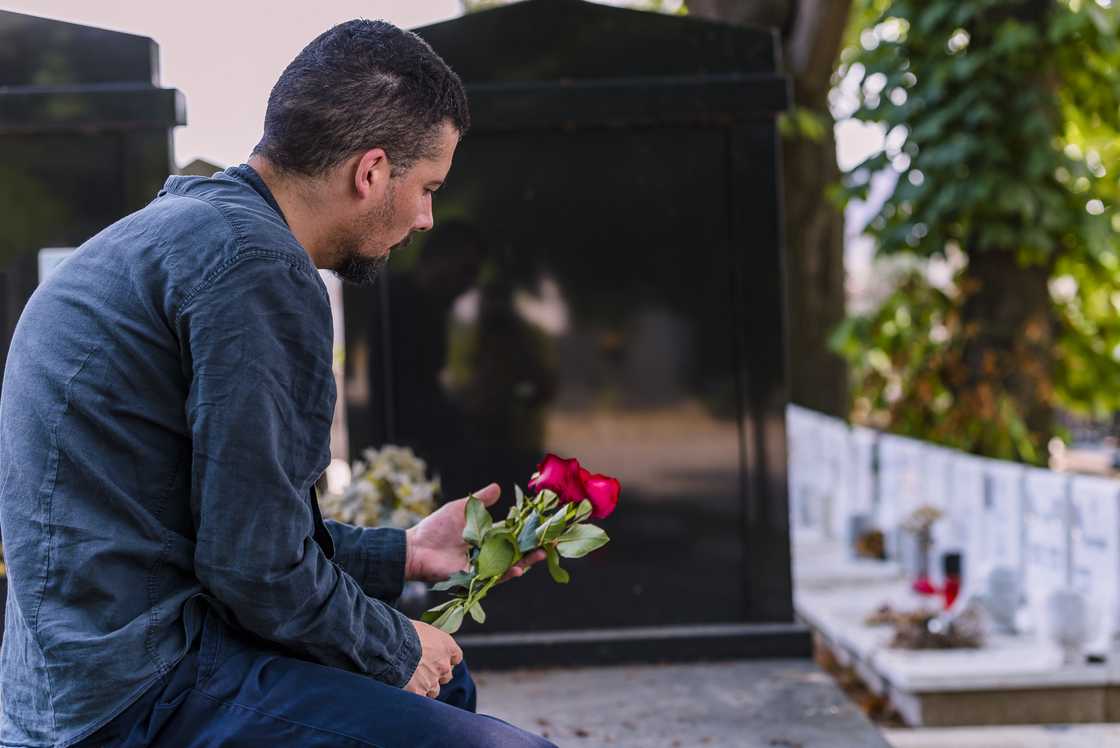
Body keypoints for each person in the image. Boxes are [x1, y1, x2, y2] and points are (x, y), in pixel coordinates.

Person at [0, 19, 552, 748]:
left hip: (72, 680)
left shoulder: (182, 231)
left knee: (444, 681)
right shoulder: (257, 270)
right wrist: (393, 644)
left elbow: (229, 529)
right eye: (427, 189)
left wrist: (406, 552)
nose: (425, 219)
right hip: (138, 697)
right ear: (372, 171)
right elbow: (254, 569)